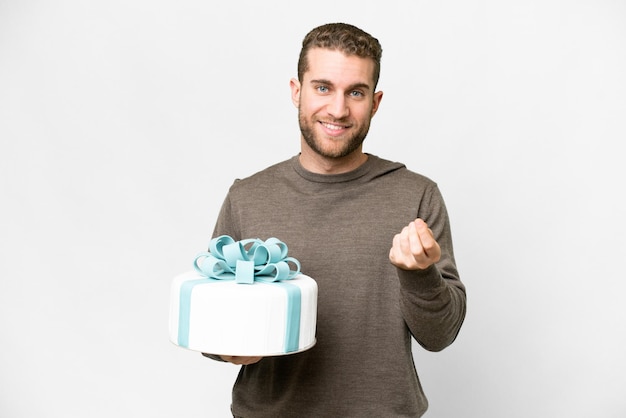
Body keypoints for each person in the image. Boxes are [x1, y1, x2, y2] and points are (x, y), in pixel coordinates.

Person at [203, 22, 467, 417]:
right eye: (323, 87)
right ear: (297, 92)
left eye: (355, 93)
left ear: (375, 103)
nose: (338, 109)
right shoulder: (248, 197)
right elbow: (212, 326)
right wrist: (232, 346)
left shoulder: (416, 195)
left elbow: (440, 335)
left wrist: (419, 274)